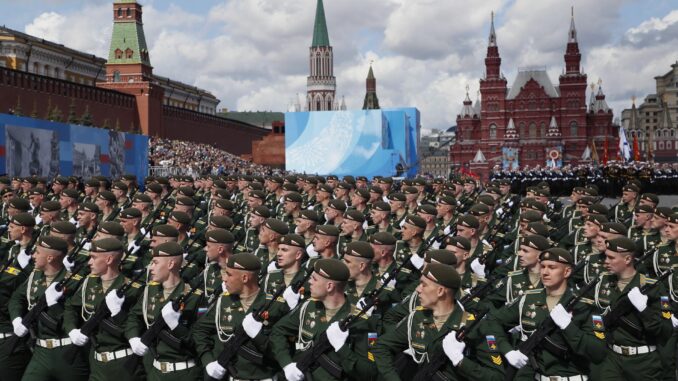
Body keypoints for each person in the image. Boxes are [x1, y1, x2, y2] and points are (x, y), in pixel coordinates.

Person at [486, 247, 607, 380]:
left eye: (552, 267)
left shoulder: (584, 306)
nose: (545, 272)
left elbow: (598, 353)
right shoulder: (528, 299)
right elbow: (492, 321)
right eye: (542, 267)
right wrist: (507, 350)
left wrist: (568, 327)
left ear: (567, 272)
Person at [374, 263, 504, 381]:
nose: (418, 289)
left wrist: (460, 361)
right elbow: (382, 346)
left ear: (440, 291)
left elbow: (497, 377)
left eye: (424, 284)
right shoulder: (417, 317)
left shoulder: (474, 326)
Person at [270, 258, 378, 381]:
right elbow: (278, 331)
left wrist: (341, 348)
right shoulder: (308, 306)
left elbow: (370, 373)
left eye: (314, 279)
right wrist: (287, 364)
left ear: (329, 286)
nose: (309, 281)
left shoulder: (362, 321)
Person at [192, 253, 288, 380]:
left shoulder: (275, 305)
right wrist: (208, 360)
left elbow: (285, 347)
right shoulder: (223, 302)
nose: (224, 279)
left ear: (244, 278)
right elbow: (199, 330)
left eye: (229, 274)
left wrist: (259, 337)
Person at [9, 236, 89, 381]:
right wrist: (16, 319)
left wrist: (54, 306)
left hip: (66, 351)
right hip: (40, 351)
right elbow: (16, 298)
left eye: (38, 253)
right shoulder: (35, 276)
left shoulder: (74, 282)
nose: (33, 256)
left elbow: (72, 317)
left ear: (50, 258)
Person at [63, 238, 145, 380]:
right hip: (96, 363)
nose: (89, 262)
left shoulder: (133, 290)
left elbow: (136, 326)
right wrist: (71, 329)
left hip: (123, 364)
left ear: (108, 260)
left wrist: (118, 314)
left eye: (94, 258)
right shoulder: (89, 282)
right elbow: (70, 307)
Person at [593, 237, 672, 380]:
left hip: (643, 362)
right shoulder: (602, 283)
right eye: (606, 257)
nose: (606, 261)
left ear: (628, 259)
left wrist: (644, 310)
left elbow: (665, 331)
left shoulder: (652, 287)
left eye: (611, 258)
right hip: (612, 359)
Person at [124, 241, 204, 381]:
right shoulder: (150, 290)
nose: (151, 267)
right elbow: (134, 316)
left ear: (171, 264)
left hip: (184, 373)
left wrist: (176, 327)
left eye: (155, 262)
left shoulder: (195, 296)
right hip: (155, 372)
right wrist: (133, 337)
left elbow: (200, 339)